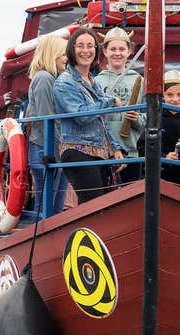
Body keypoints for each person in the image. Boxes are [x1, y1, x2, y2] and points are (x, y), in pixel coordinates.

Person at [53, 27, 126, 204]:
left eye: (90, 46)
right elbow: (82, 115)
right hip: (77, 150)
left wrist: (115, 147)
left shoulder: (92, 80)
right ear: (72, 49)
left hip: (98, 152)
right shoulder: (64, 82)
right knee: (94, 205)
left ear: (96, 50)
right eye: (80, 46)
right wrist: (109, 101)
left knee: (98, 206)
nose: (85, 51)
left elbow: (101, 119)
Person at [26, 35, 70, 215]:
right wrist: (57, 150)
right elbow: (46, 118)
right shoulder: (44, 78)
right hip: (46, 149)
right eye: (63, 54)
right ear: (53, 55)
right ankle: (41, 241)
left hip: (54, 147)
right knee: (46, 206)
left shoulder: (55, 79)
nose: (67, 58)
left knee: (55, 207)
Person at [94, 28, 145, 184]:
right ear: (105, 51)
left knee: (129, 200)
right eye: (113, 49)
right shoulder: (96, 81)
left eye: (122, 49)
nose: (118, 53)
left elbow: (148, 117)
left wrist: (137, 119)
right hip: (103, 151)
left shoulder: (139, 80)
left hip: (131, 151)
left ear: (129, 51)